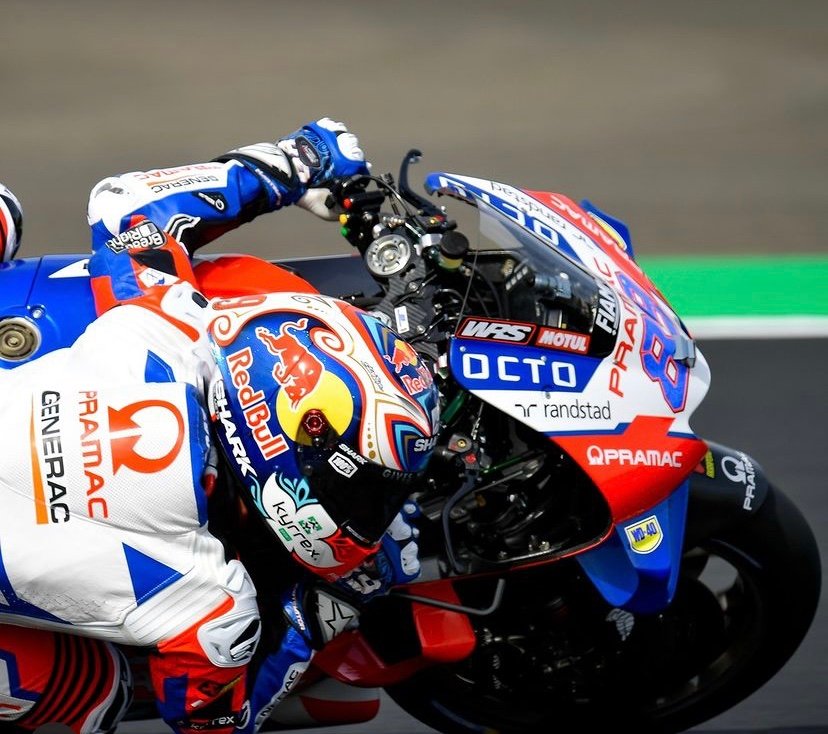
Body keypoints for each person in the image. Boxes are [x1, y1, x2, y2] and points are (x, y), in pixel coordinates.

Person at [0, 119, 439, 733]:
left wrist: (298, 160)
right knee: (92, 693)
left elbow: (126, 204)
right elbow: (212, 723)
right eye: (365, 486)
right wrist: (314, 619)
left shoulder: (167, 327)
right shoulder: (209, 598)